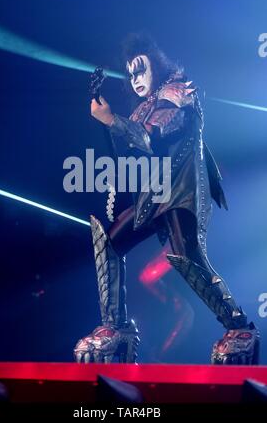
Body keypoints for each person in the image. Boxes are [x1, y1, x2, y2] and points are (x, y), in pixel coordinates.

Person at [73, 34, 260, 364]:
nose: (136, 79)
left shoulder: (178, 90)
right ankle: (116, 329)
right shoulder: (145, 105)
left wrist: (110, 120)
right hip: (155, 194)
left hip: (181, 192)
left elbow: (147, 137)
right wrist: (108, 123)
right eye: (131, 74)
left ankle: (239, 327)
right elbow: (127, 149)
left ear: (155, 66)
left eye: (140, 70)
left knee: (187, 257)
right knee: (109, 242)